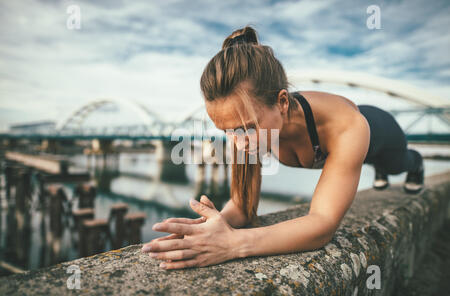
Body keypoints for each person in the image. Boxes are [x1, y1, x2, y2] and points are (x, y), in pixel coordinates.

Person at [142, 25, 425, 270]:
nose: (237, 142)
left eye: (245, 129)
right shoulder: (246, 124)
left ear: (282, 102)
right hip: (350, 149)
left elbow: (322, 224)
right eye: (226, 131)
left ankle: (415, 164)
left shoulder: (347, 124)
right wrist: (208, 230)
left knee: (395, 165)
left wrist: (233, 244)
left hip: (382, 134)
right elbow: (242, 206)